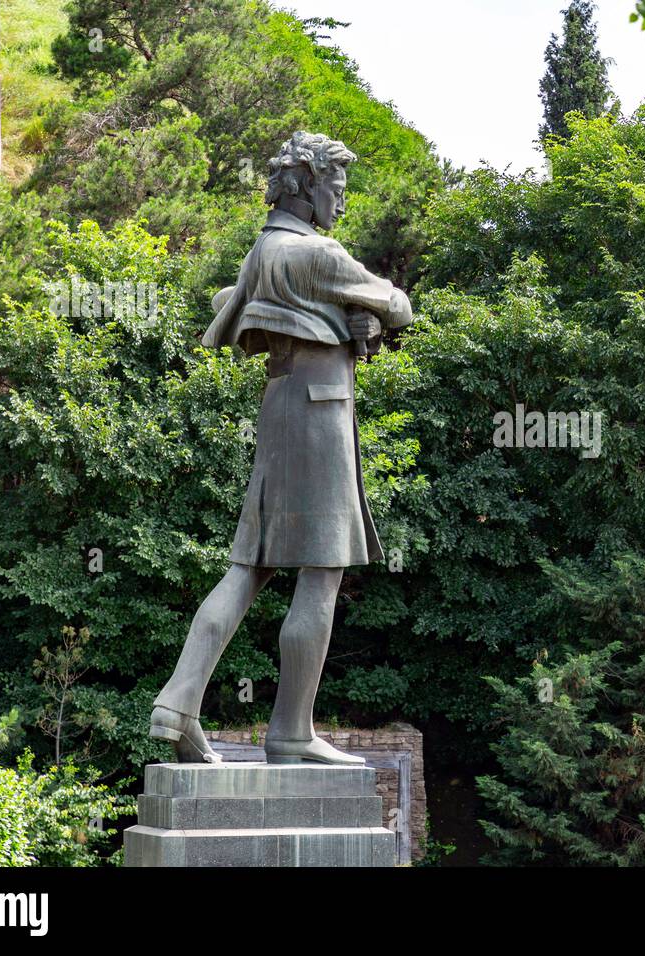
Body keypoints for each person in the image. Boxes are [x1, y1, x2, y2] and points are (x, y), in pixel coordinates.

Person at [149, 132, 414, 765]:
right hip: (321, 414)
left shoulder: (260, 254)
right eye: (337, 188)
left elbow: (230, 307)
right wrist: (368, 317)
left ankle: (176, 705)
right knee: (320, 574)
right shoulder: (319, 254)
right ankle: (294, 731)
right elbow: (399, 304)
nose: (341, 202)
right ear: (309, 185)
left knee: (249, 566)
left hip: (280, 407)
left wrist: (346, 324)